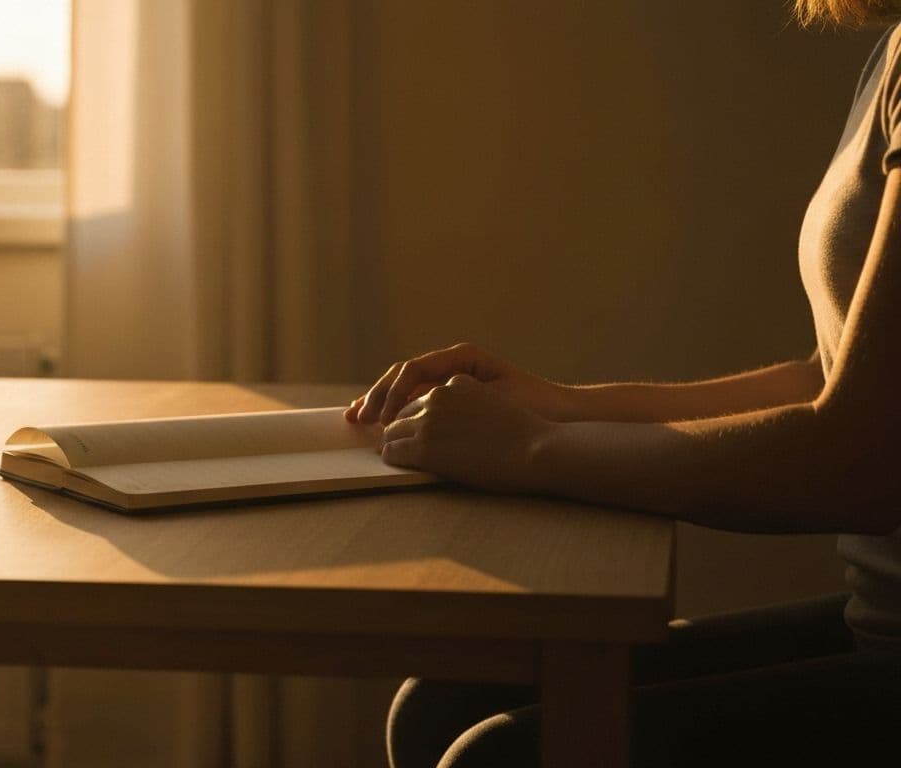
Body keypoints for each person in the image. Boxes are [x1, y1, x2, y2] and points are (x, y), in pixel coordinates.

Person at [348, 1, 901, 766]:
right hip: (879, 618)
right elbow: (834, 379)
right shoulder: (893, 50)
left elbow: (860, 461)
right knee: (445, 702)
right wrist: (561, 408)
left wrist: (535, 451)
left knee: (499, 757)